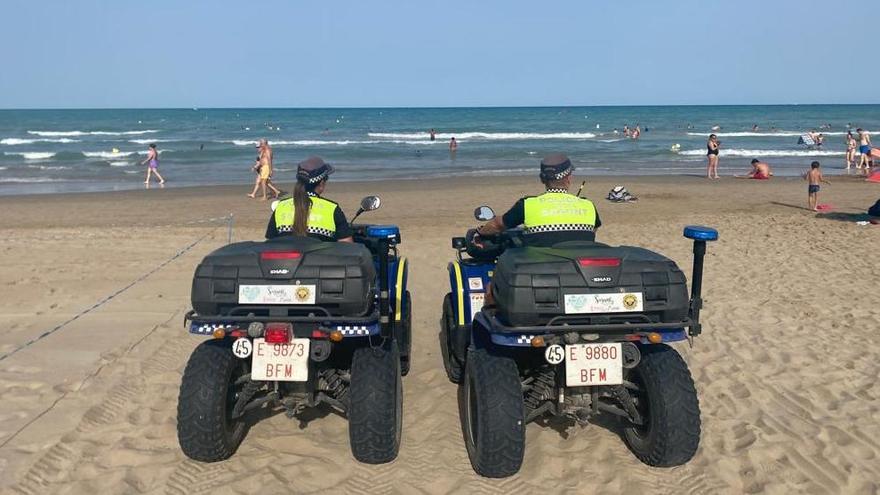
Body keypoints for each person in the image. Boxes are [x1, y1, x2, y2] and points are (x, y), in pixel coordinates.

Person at [474, 153, 601, 247]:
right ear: (569, 179)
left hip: (539, 272)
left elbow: (497, 225)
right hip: (580, 273)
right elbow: (590, 233)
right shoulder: (588, 206)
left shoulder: (528, 205)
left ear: (542, 179)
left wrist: (481, 233)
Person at [265, 156, 353, 242]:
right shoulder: (332, 209)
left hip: (285, 256)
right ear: (321, 183)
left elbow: (271, 243)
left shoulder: (281, 206)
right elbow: (347, 247)